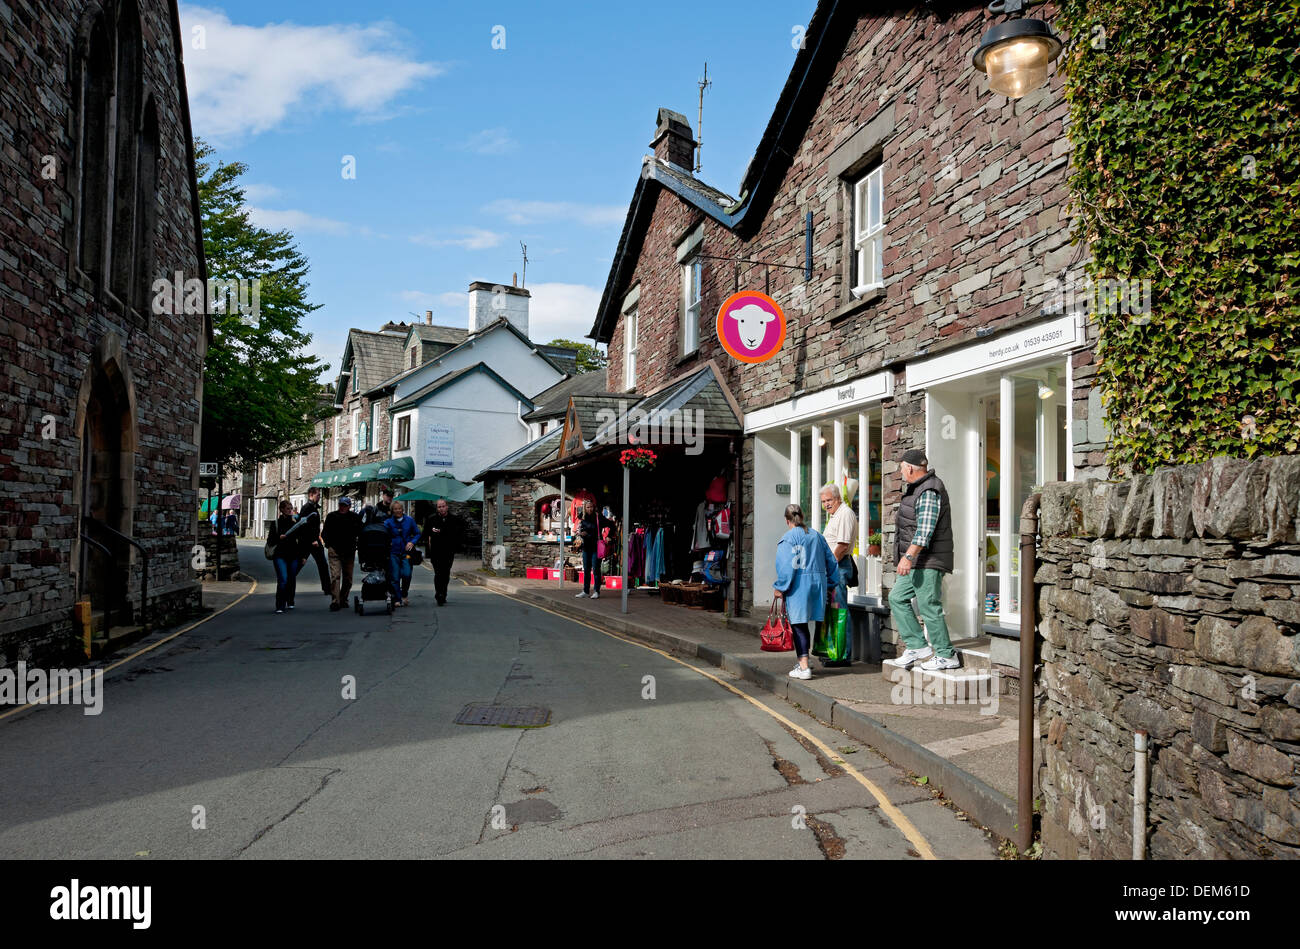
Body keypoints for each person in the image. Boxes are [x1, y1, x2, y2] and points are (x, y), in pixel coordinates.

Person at [888, 449, 959, 671]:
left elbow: (925, 530)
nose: (901, 472)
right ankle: (917, 646)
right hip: (919, 559)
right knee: (897, 597)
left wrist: (907, 557)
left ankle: (946, 655)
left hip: (929, 559)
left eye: (901, 468)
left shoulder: (929, 490)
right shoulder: (917, 489)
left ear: (910, 468)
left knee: (929, 605)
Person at [773, 503, 841, 679]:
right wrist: (831, 584)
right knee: (809, 623)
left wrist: (780, 587)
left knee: (799, 625)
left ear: (787, 520)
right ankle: (806, 659)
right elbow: (831, 561)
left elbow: (786, 568)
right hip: (818, 583)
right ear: (802, 517)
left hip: (798, 585)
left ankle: (804, 667)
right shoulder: (817, 536)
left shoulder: (787, 539)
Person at [820, 483, 858, 608]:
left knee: (839, 609)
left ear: (838, 498)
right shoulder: (835, 514)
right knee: (833, 608)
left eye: (829, 500)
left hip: (838, 566)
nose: (826, 504)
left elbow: (842, 546)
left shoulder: (844, 514)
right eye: (824, 501)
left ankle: (845, 629)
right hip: (835, 565)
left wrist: (829, 567)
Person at [322, 496, 362, 612]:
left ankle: (343, 599)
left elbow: (360, 532)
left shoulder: (354, 517)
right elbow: (325, 533)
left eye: (345, 505)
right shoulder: (331, 516)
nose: (342, 507)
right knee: (335, 576)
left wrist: (357, 545)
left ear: (349, 506)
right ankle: (335, 601)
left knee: (348, 578)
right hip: (334, 551)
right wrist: (328, 544)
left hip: (349, 551)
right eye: (341, 505)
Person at [423, 498, 463, 606]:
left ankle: (443, 593)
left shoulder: (454, 519)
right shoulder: (431, 519)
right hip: (436, 551)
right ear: (437, 508)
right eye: (439, 507)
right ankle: (439, 594)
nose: (441, 508)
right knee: (438, 573)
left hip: (449, 551)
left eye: (443, 506)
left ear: (447, 506)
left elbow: (457, 534)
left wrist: (442, 532)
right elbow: (425, 535)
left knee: (445, 574)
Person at [573, 497, 614, 600]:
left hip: (596, 547)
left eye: (591, 507)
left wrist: (609, 535)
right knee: (586, 570)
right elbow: (580, 530)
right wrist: (581, 533)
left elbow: (611, 524)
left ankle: (596, 591)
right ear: (584, 508)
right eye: (588, 507)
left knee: (596, 569)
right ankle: (585, 591)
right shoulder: (582, 517)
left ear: (594, 507)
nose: (590, 509)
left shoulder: (598, 517)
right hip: (586, 547)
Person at [271, 499, 306, 614]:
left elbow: (301, 541)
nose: (290, 511)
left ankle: (290, 600)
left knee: (291, 578)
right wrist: (278, 538)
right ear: (282, 510)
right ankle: (280, 605)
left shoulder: (295, 523)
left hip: (293, 555)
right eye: (288, 509)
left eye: (291, 509)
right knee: (283, 579)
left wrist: (303, 556)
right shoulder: (276, 523)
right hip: (280, 555)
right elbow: (270, 540)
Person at [384, 500, 421, 607]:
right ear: (392, 510)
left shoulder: (409, 520)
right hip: (393, 552)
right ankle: (397, 598)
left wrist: (412, 542)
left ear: (403, 509)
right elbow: (384, 534)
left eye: (399, 508)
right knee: (395, 577)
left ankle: (404, 594)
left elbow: (417, 533)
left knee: (407, 574)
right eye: (395, 509)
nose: (398, 511)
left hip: (407, 553)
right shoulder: (388, 522)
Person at [298, 486, 330, 596]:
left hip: (315, 540)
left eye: (320, 495)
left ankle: (327, 588)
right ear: (311, 495)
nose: (319, 497)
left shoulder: (314, 507)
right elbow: (304, 526)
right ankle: (287, 582)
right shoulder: (307, 508)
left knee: (323, 565)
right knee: (299, 564)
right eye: (318, 495)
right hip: (308, 542)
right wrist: (312, 540)